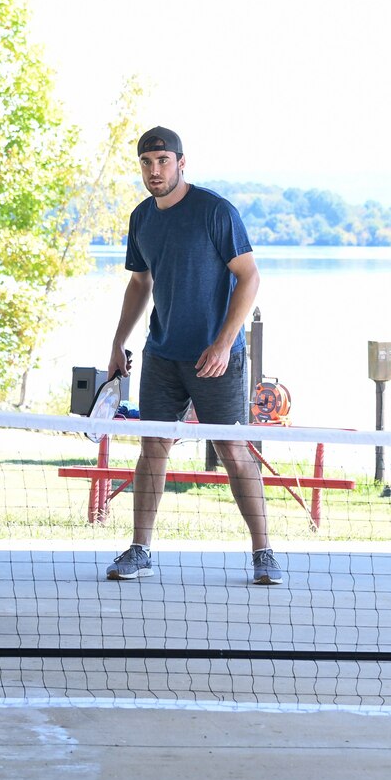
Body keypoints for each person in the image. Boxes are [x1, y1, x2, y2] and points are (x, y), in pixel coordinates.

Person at [102, 126, 282, 586]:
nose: (155, 170)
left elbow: (250, 277)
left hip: (216, 357)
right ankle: (140, 550)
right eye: (147, 162)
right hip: (163, 355)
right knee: (152, 449)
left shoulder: (215, 211)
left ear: (182, 163)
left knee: (233, 451)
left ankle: (264, 553)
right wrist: (119, 340)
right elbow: (140, 283)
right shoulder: (142, 217)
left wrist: (223, 342)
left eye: (163, 161)